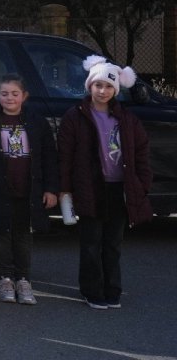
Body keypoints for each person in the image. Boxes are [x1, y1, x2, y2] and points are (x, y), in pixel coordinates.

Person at [59, 56, 152, 310]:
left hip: (119, 189)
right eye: (98, 85)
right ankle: (92, 290)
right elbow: (65, 156)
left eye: (109, 86)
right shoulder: (74, 117)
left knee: (113, 243)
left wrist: (142, 184)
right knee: (91, 242)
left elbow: (141, 151)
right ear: (90, 86)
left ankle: (113, 289)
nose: (103, 91)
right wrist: (65, 188)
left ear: (116, 90)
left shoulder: (127, 119)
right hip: (89, 188)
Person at [0, 73, 58, 305]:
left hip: (28, 190)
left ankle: (23, 279)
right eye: (4, 93)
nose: (10, 98)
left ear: (24, 96)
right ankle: (5, 278)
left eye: (15, 93)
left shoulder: (37, 123)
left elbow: (49, 157)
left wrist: (50, 189)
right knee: (1, 234)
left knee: (23, 235)